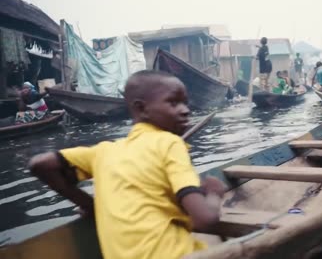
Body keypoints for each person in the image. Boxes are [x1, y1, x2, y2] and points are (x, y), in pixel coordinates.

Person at [28, 70, 226, 259]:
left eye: (185, 103)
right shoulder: (171, 143)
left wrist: (92, 207)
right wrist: (214, 194)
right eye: (173, 103)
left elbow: (40, 164)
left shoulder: (103, 151)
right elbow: (205, 220)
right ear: (141, 108)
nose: (185, 110)